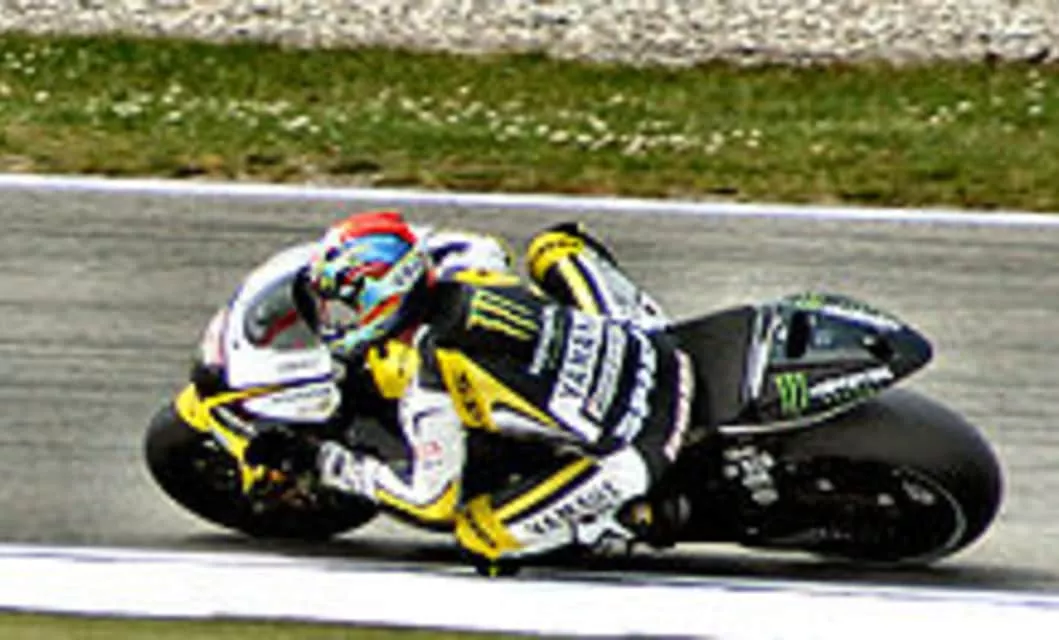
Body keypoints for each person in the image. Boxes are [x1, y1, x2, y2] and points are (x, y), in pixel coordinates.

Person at [247, 211, 694, 574]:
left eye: (349, 303)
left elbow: (431, 502)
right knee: (555, 245)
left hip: (638, 443)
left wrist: (325, 463)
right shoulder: (472, 270)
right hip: (652, 345)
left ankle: (619, 522)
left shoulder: (431, 385)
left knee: (479, 534)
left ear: (384, 292)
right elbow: (487, 245)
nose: (340, 320)